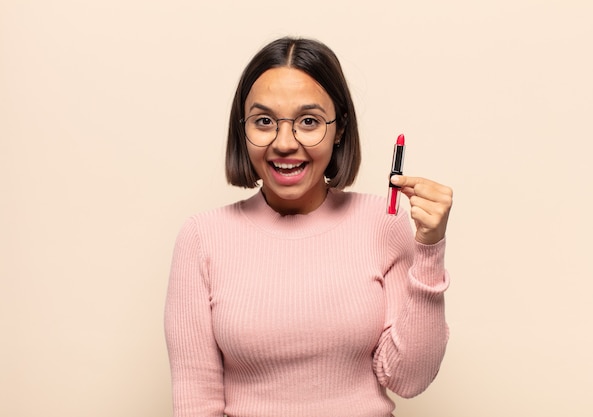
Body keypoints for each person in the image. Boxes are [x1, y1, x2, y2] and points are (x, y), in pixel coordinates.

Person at [164, 36, 453, 417]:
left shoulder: (385, 223)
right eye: (264, 121)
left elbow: (409, 379)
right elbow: (195, 400)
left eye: (309, 121)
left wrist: (429, 252)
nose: (285, 143)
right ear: (242, 129)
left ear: (340, 130)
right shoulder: (202, 237)